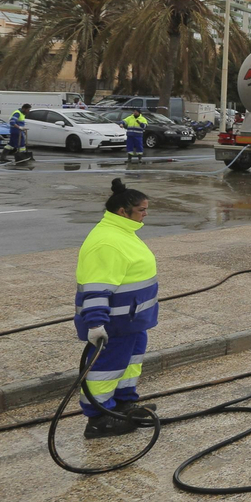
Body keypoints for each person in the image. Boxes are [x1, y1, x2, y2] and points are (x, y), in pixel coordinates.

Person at [73, 179, 160, 438]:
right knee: (105, 370)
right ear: (123, 211)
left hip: (132, 321)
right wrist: (96, 324)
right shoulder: (107, 242)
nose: (146, 214)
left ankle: (123, 404)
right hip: (114, 324)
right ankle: (99, 419)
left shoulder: (123, 233)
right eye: (142, 210)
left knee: (129, 364)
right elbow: (97, 288)